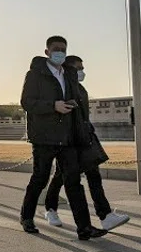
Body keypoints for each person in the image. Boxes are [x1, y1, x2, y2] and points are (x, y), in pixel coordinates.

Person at [19, 36, 107, 240]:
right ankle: (27, 217)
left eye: (63, 49)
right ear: (47, 52)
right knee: (40, 179)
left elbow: (76, 98)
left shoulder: (69, 74)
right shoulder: (35, 74)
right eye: (56, 49)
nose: (60, 52)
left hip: (68, 137)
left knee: (74, 182)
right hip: (44, 136)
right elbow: (27, 102)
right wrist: (53, 106)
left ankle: (84, 227)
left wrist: (76, 113)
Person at [43, 55, 131, 231]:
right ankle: (50, 209)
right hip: (66, 141)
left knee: (94, 175)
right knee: (61, 176)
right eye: (78, 68)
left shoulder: (80, 89)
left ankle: (105, 216)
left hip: (83, 138)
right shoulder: (59, 87)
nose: (82, 72)